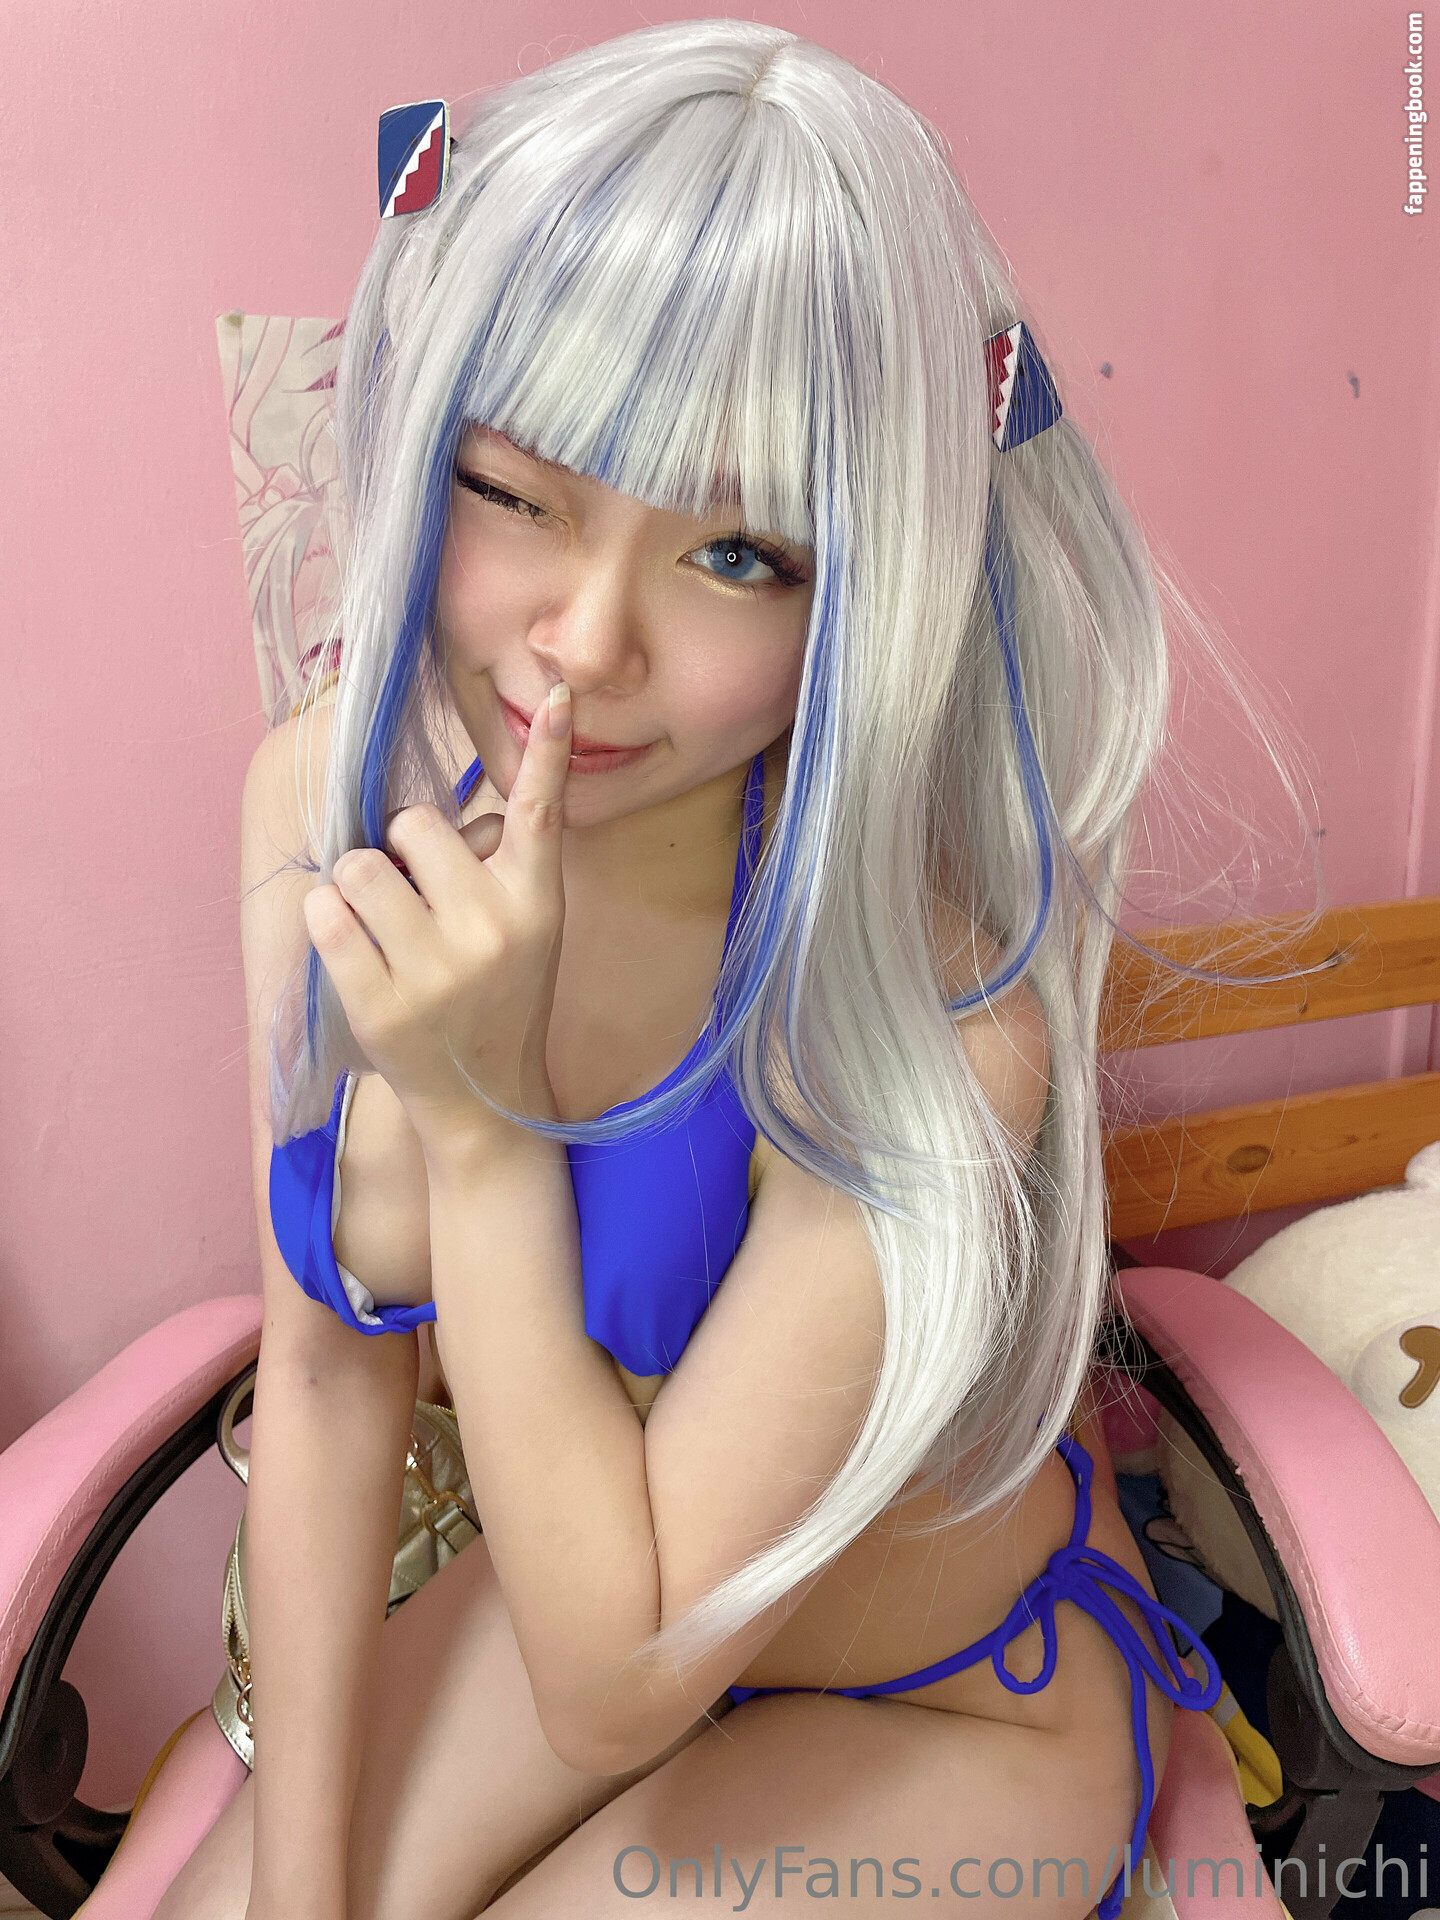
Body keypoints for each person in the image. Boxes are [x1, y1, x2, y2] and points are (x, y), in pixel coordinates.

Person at [157, 20, 1221, 1919]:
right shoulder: (323, 804)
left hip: (949, 1693)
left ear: (863, 596)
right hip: (592, 1575)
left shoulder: (931, 1013)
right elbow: (323, 1375)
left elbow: (615, 1677)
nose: (585, 641)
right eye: (517, 488)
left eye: (737, 555)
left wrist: (480, 1120)